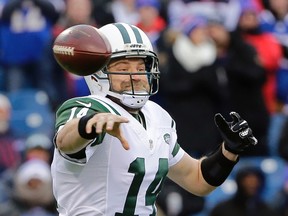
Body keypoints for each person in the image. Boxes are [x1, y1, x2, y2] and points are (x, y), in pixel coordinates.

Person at [51, 22, 258, 216]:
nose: (137, 76)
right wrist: (87, 126)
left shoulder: (155, 114)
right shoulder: (87, 107)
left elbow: (197, 180)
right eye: (123, 69)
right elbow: (65, 142)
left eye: (141, 68)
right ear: (98, 74)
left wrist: (228, 152)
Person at [209, 166, 280, 216]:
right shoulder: (221, 210)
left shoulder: (268, 211)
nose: (252, 185)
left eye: (255, 182)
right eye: (248, 182)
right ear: (239, 183)